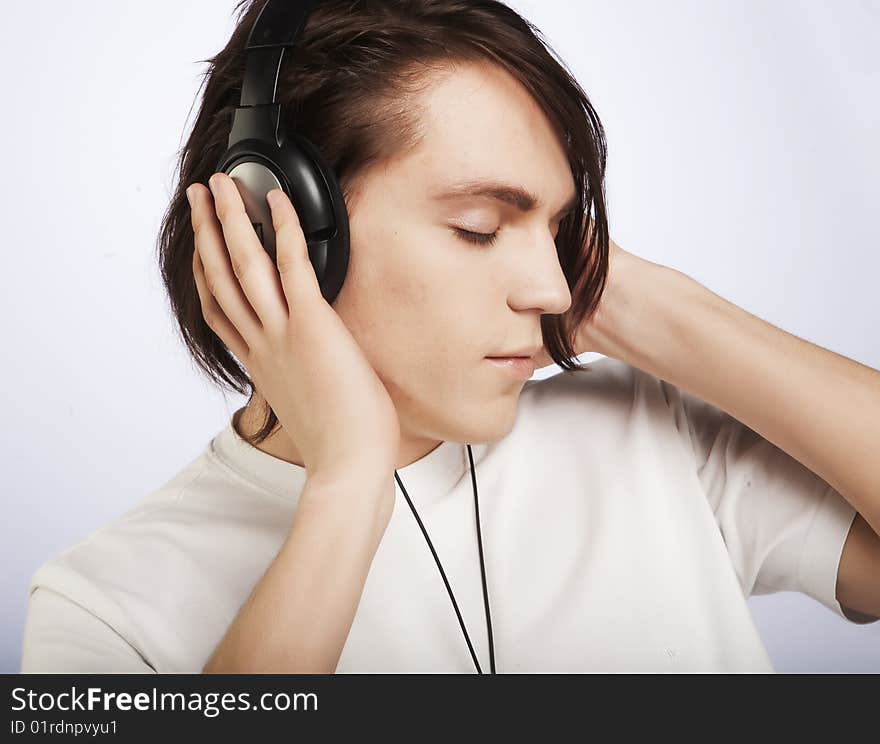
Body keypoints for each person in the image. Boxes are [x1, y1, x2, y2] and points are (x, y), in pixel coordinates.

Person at [20, 0, 880, 674]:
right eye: (478, 227)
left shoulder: (652, 436)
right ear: (275, 223)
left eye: (554, 228)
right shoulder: (102, 610)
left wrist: (648, 310)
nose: (548, 288)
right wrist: (348, 483)